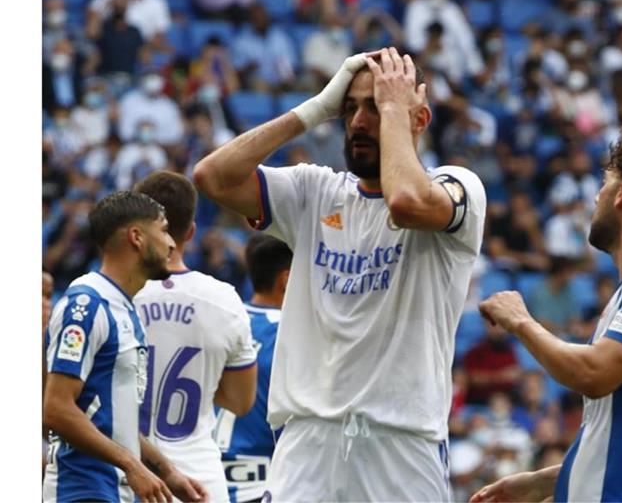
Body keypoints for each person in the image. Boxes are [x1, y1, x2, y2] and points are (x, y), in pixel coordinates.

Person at [193, 47, 487, 500]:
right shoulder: (316, 191)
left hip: (403, 447)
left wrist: (394, 111)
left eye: (377, 106)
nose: (359, 121)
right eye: (350, 109)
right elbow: (213, 176)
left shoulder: (458, 186)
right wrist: (315, 109)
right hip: (308, 443)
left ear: (420, 119)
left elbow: (406, 201)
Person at [471, 127, 622, 502]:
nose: (596, 197)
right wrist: (544, 482)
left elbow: (593, 373)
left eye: (605, 183)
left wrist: (520, 320)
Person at [43, 191, 207, 503]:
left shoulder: (125, 309)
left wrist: (166, 471)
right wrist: (132, 465)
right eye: (163, 229)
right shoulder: (87, 305)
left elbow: (114, 420)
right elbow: (56, 409)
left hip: (113, 491)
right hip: (80, 491)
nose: (172, 243)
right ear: (136, 237)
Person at [134, 171, 258, 502]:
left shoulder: (112, 293)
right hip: (200, 483)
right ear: (190, 231)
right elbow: (240, 402)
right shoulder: (224, 299)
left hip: (125, 480)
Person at [214, 233, 293, 502]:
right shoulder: (293, 333)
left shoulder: (223, 320)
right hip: (261, 484)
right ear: (286, 280)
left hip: (202, 476)